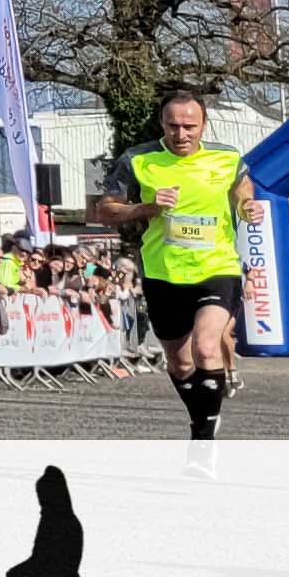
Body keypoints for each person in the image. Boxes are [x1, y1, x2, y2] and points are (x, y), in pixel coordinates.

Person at [93, 87, 256, 439]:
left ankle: (203, 440)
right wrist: (147, 208)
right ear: (161, 124)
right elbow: (105, 210)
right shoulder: (138, 160)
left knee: (206, 346)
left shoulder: (227, 158)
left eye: (189, 126)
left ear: (204, 124)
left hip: (217, 267)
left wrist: (247, 207)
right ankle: (201, 419)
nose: (181, 134)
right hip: (163, 272)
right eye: (173, 126)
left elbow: (243, 189)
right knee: (181, 362)